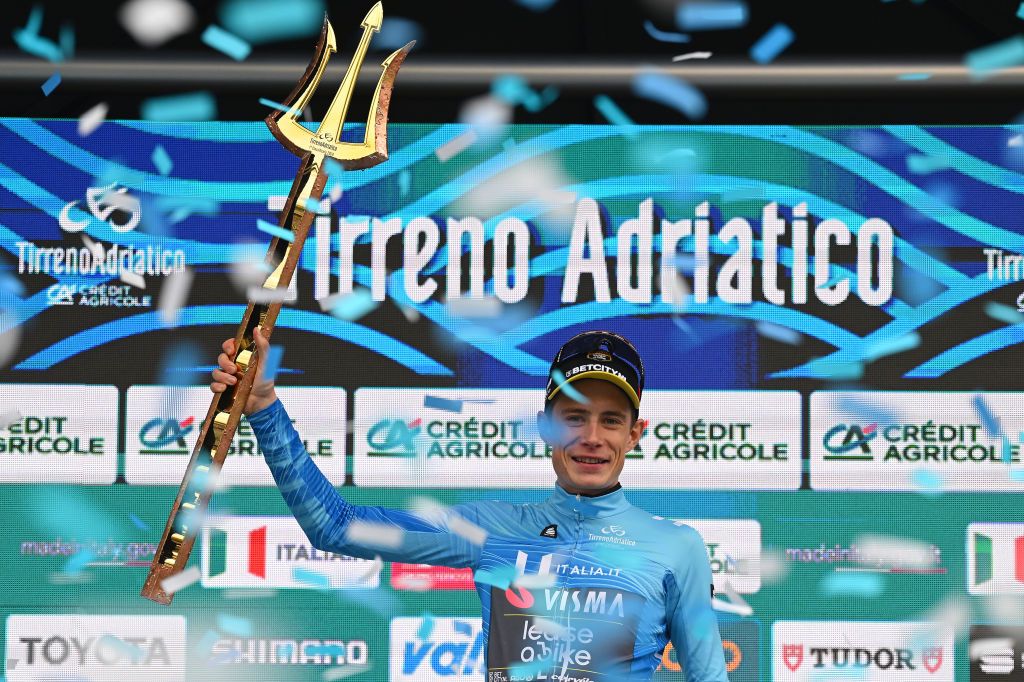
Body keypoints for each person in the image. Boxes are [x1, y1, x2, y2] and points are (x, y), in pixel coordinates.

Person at [211, 328, 729, 681]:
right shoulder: (494, 528)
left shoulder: (677, 547)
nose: (591, 437)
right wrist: (263, 408)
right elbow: (337, 528)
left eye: (611, 420)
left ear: (635, 433)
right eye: (574, 417)